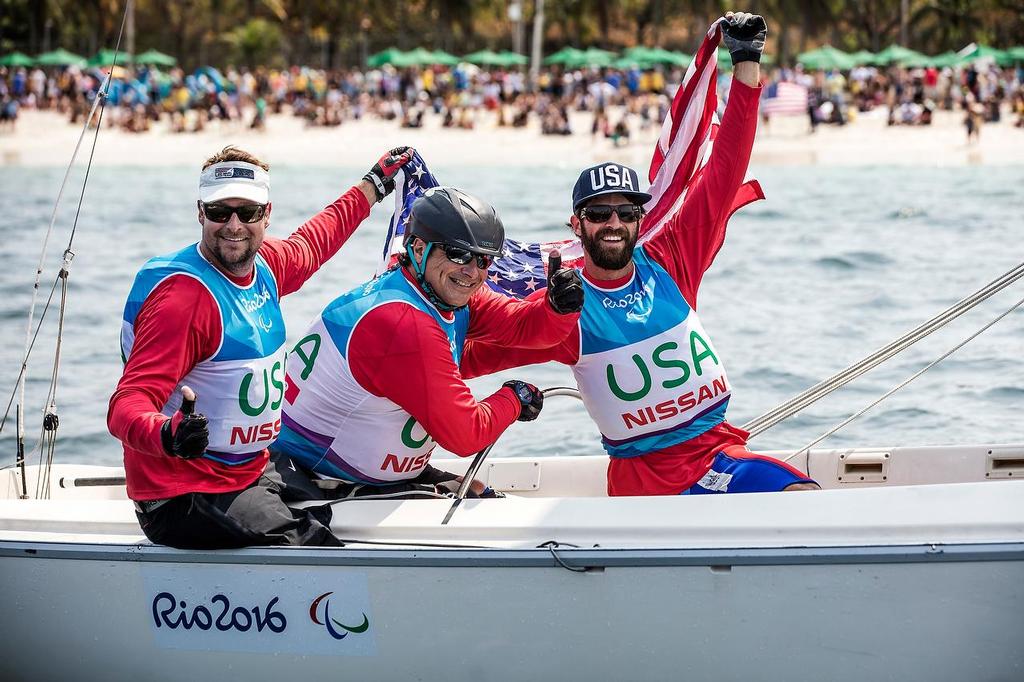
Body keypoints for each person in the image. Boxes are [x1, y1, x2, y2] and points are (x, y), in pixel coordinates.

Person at [462, 12, 820, 497]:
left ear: (639, 221)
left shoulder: (672, 258)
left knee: (806, 499)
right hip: (651, 486)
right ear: (576, 225)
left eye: (625, 213)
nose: (613, 224)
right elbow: (468, 357)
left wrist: (746, 61)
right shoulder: (563, 306)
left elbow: (725, 168)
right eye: (599, 214)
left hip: (721, 456)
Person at [108, 144, 415, 549]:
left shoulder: (264, 265)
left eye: (248, 213)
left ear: (266, 215)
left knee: (340, 498)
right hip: (186, 494)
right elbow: (126, 403)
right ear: (200, 213)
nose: (233, 226)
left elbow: (314, 242)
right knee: (321, 548)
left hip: (250, 470)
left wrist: (372, 187)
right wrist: (168, 434)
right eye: (219, 212)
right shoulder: (183, 303)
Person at [272, 186, 584, 498]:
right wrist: (513, 398)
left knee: (487, 500)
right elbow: (465, 436)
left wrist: (557, 308)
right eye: (458, 254)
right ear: (419, 248)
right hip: (317, 478)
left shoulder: (440, 293)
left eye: (484, 260)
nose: (473, 272)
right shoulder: (402, 322)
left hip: (371, 476)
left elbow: (523, 328)